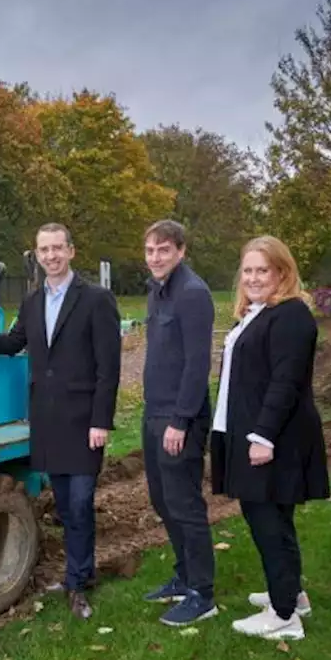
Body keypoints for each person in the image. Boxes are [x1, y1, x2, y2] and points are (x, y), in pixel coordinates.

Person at [0, 223, 121, 620]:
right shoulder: (32, 302)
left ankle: (79, 582)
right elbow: (13, 344)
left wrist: (101, 421)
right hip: (47, 419)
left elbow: (108, 369)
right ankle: (79, 573)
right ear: (38, 254)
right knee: (64, 505)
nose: (51, 256)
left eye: (57, 248)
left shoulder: (96, 300)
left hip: (83, 420)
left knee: (80, 504)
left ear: (71, 251)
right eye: (44, 249)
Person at [212, 235, 329, 641]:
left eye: (263, 270)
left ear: (283, 272)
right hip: (248, 429)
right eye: (248, 270)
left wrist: (263, 436)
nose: (254, 277)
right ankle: (292, 596)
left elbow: (285, 381)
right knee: (275, 518)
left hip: (272, 436)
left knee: (266, 520)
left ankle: (283, 617)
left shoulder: (291, 316)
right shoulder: (259, 313)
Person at [138, 219, 218, 627]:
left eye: (164, 250)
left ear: (181, 251)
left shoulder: (192, 294)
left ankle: (202, 593)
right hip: (154, 412)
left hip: (179, 418)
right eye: (150, 250)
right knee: (161, 500)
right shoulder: (159, 291)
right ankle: (184, 575)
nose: (156, 258)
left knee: (185, 504)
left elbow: (197, 363)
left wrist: (181, 420)